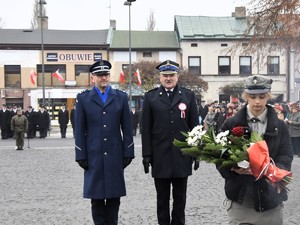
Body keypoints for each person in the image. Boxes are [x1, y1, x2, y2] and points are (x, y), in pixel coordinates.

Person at [219, 75, 293, 225]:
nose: (257, 101)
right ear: (246, 96)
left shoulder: (280, 126)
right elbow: (220, 156)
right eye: (252, 97)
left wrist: (272, 171)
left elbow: (286, 156)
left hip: (270, 197)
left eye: (262, 96)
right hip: (241, 195)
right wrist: (232, 168)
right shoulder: (231, 124)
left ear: (268, 97)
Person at [75, 60, 134, 225]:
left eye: (106, 74)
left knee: (114, 198)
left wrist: (128, 152)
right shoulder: (84, 99)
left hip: (115, 154)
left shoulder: (120, 97)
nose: (104, 78)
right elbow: (79, 130)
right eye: (100, 75)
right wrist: (80, 154)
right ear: (92, 77)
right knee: (97, 199)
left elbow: (128, 128)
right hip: (93, 156)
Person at [141, 60, 199, 225]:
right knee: (162, 199)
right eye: (165, 75)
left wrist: (196, 153)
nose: (168, 78)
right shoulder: (151, 97)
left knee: (180, 199)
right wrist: (146, 155)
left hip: (182, 156)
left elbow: (195, 127)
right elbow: (146, 129)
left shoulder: (188, 96)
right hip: (160, 157)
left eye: (171, 75)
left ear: (177, 76)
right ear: (160, 77)